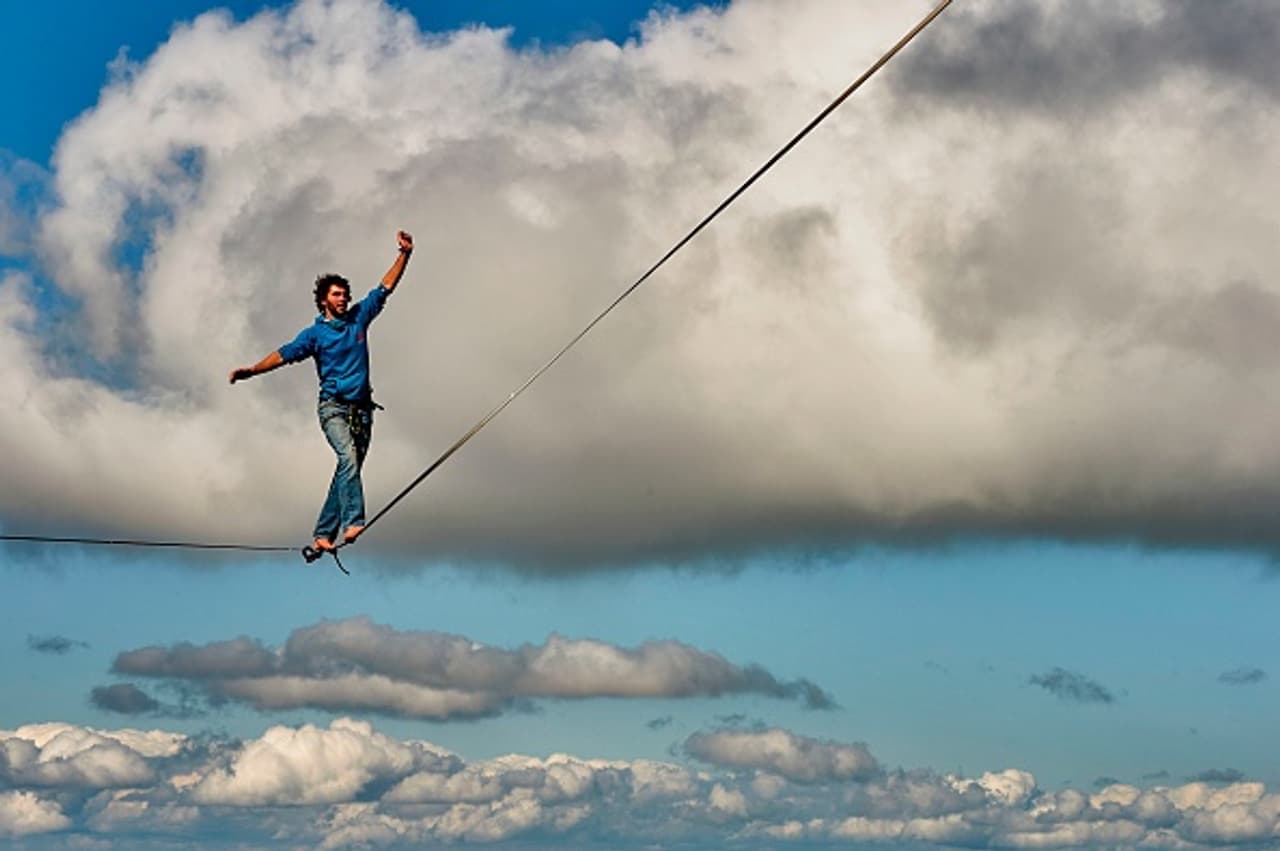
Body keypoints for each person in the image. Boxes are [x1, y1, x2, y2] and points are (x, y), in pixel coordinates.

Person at [230, 230, 414, 553]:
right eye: (337, 295)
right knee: (348, 459)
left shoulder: (359, 318)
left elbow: (384, 288)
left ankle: (322, 535)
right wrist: (252, 370)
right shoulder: (314, 334)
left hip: (363, 411)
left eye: (345, 294)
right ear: (323, 300)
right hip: (334, 408)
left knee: (347, 469)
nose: (343, 299)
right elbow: (284, 354)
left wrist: (405, 255)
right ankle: (354, 519)